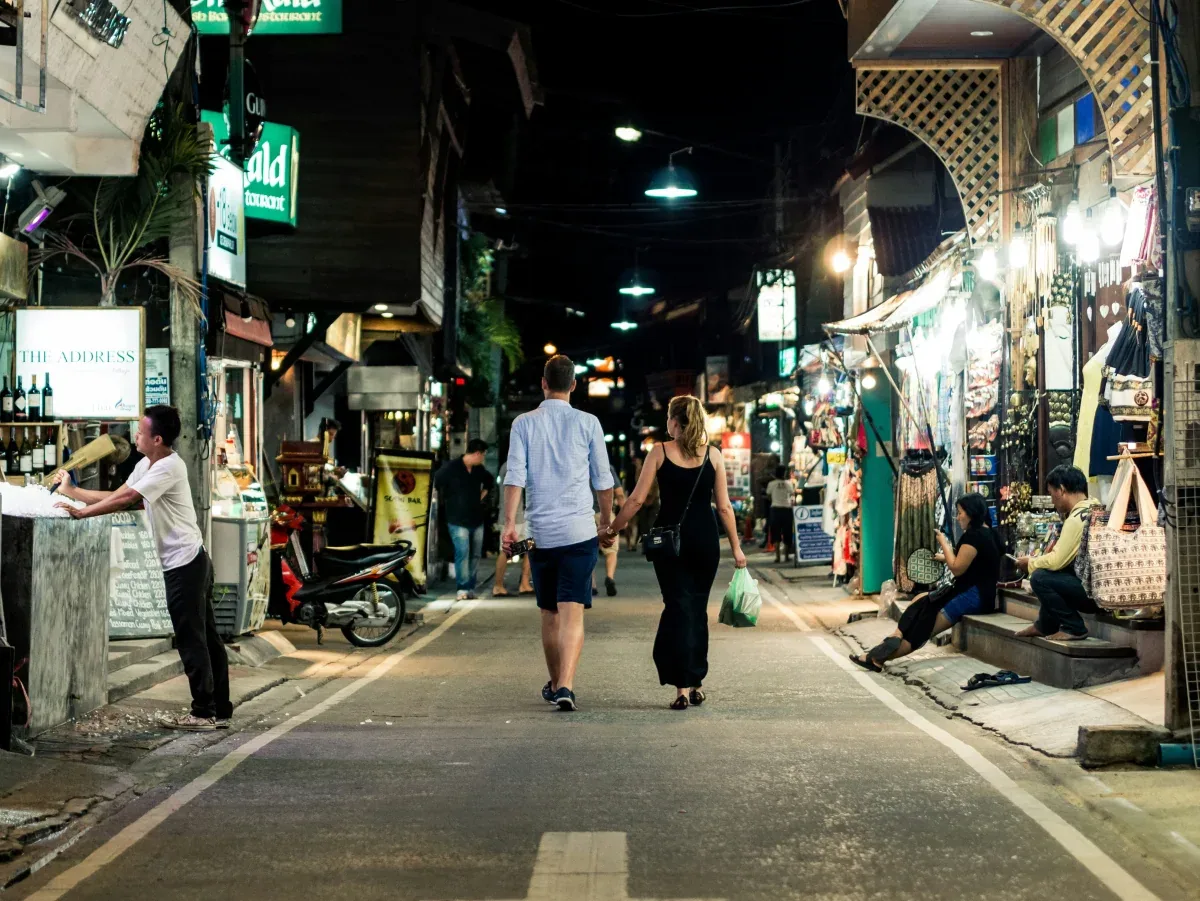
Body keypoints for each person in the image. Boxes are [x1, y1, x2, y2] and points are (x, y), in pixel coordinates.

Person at [55, 406, 231, 732]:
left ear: (157, 439)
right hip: (191, 560)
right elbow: (117, 493)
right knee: (206, 637)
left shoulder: (168, 467)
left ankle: (204, 712)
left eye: (140, 431)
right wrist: (73, 492)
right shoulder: (146, 464)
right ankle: (219, 710)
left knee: (193, 639)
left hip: (185, 565)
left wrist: (80, 514)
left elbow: (127, 500)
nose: (135, 435)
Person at [601, 395, 747, 709]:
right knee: (695, 609)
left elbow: (637, 501)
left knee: (678, 606)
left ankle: (683, 687)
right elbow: (723, 507)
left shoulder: (659, 452)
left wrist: (613, 529)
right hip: (705, 540)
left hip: (670, 541)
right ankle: (695, 682)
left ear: (674, 421)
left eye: (668, 418)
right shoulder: (714, 456)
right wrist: (735, 547)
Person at [503, 355, 613, 712]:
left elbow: (515, 476)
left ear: (543, 383)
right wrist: (606, 521)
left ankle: (555, 683)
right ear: (574, 385)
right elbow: (603, 479)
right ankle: (565, 683)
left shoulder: (524, 423)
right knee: (572, 612)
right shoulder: (589, 422)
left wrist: (509, 523)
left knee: (549, 612)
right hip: (580, 532)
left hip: (541, 534)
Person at [851, 492, 1002, 671]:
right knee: (920, 600)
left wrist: (943, 543)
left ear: (971, 513)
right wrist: (945, 557)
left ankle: (875, 657)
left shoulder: (975, 536)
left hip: (972, 596)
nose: (958, 517)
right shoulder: (990, 534)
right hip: (972, 592)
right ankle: (894, 637)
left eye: (960, 512)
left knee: (922, 629)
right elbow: (976, 563)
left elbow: (957, 567)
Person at [1013, 464, 1097, 640]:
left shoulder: (1076, 519)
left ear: (1062, 490)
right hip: (1097, 588)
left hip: (1092, 594)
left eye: (1052, 494)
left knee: (1040, 578)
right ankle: (1045, 625)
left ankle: (1073, 627)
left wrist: (1031, 563)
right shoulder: (1094, 506)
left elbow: (1056, 560)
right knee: (1051, 573)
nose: (1052, 501)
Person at [435, 438, 492, 601]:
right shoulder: (451, 467)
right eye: (483, 455)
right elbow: (436, 481)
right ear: (477, 453)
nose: (483, 458)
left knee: (475, 555)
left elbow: (489, 482)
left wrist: (481, 495)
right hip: (456, 518)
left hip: (476, 519)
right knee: (462, 553)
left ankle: (470, 587)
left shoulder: (479, 469)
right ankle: (462, 588)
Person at [494, 461, 533, 597]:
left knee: (530, 546)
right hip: (512, 518)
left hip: (522, 515)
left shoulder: (519, 465)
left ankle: (524, 583)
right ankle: (498, 586)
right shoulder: (510, 466)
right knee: (506, 550)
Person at [593, 460, 625, 596]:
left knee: (589, 549)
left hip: (583, 514)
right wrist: (624, 516)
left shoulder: (578, 465)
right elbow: (619, 493)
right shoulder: (607, 467)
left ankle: (592, 585)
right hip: (604, 512)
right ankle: (610, 577)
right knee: (611, 549)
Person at [765, 465, 795, 563]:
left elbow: (768, 496)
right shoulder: (789, 484)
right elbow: (792, 494)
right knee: (787, 533)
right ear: (784, 473)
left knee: (775, 533)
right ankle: (786, 557)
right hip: (787, 510)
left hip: (775, 510)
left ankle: (777, 557)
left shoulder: (771, 484)